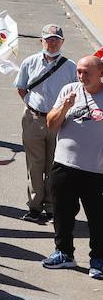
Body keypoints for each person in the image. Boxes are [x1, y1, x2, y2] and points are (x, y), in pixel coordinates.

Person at [40, 56, 103, 278]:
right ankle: (64, 253)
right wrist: (65, 106)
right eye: (79, 71)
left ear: (100, 73)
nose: (81, 76)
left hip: (96, 170)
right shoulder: (69, 90)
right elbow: (51, 123)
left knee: (97, 217)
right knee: (62, 213)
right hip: (64, 165)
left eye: (87, 72)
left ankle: (98, 259)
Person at [16, 25, 75, 223]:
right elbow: (21, 87)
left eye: (56, 39)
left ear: (63, 42)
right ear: (41, 41)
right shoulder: (29, 62)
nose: (53, 43)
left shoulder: (71, 67)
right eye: (49, 39)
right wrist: (32, 106)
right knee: (34, 164)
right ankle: (34, 207)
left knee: (55, 165)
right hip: (33, 118)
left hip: (59, 121)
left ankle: (52, 207)